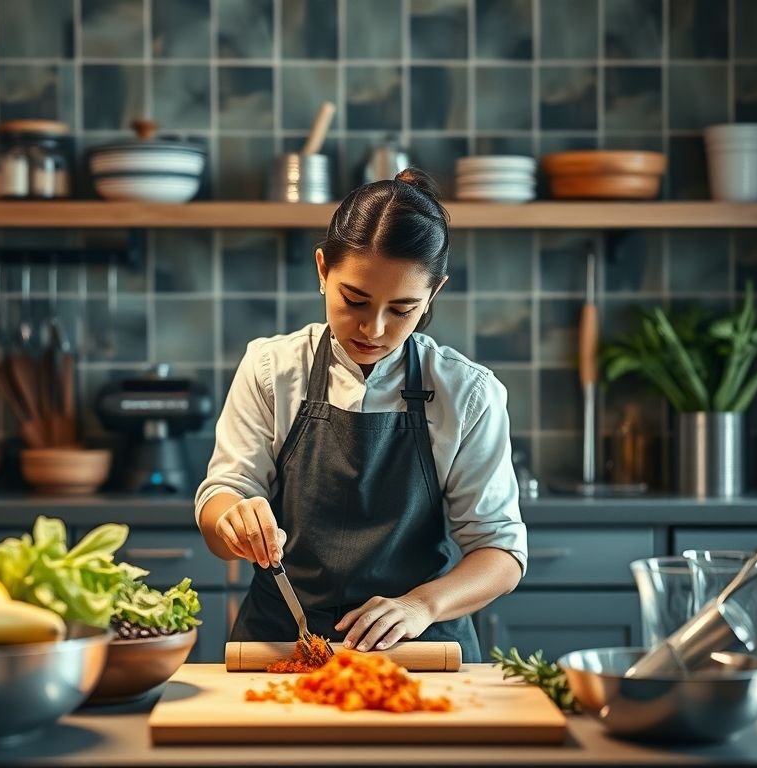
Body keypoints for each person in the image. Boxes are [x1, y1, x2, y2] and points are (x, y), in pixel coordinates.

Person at [194, 168, 527, 661]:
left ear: (434, 293)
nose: (373, 328)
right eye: (355, 300)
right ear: (322, 269)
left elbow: (500, 553)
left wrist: (420, 606)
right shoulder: (270, 369)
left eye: (403, 309)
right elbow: (221, 499)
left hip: (417, 651)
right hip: (281, 644)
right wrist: (232, 519)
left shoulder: (468, 393)